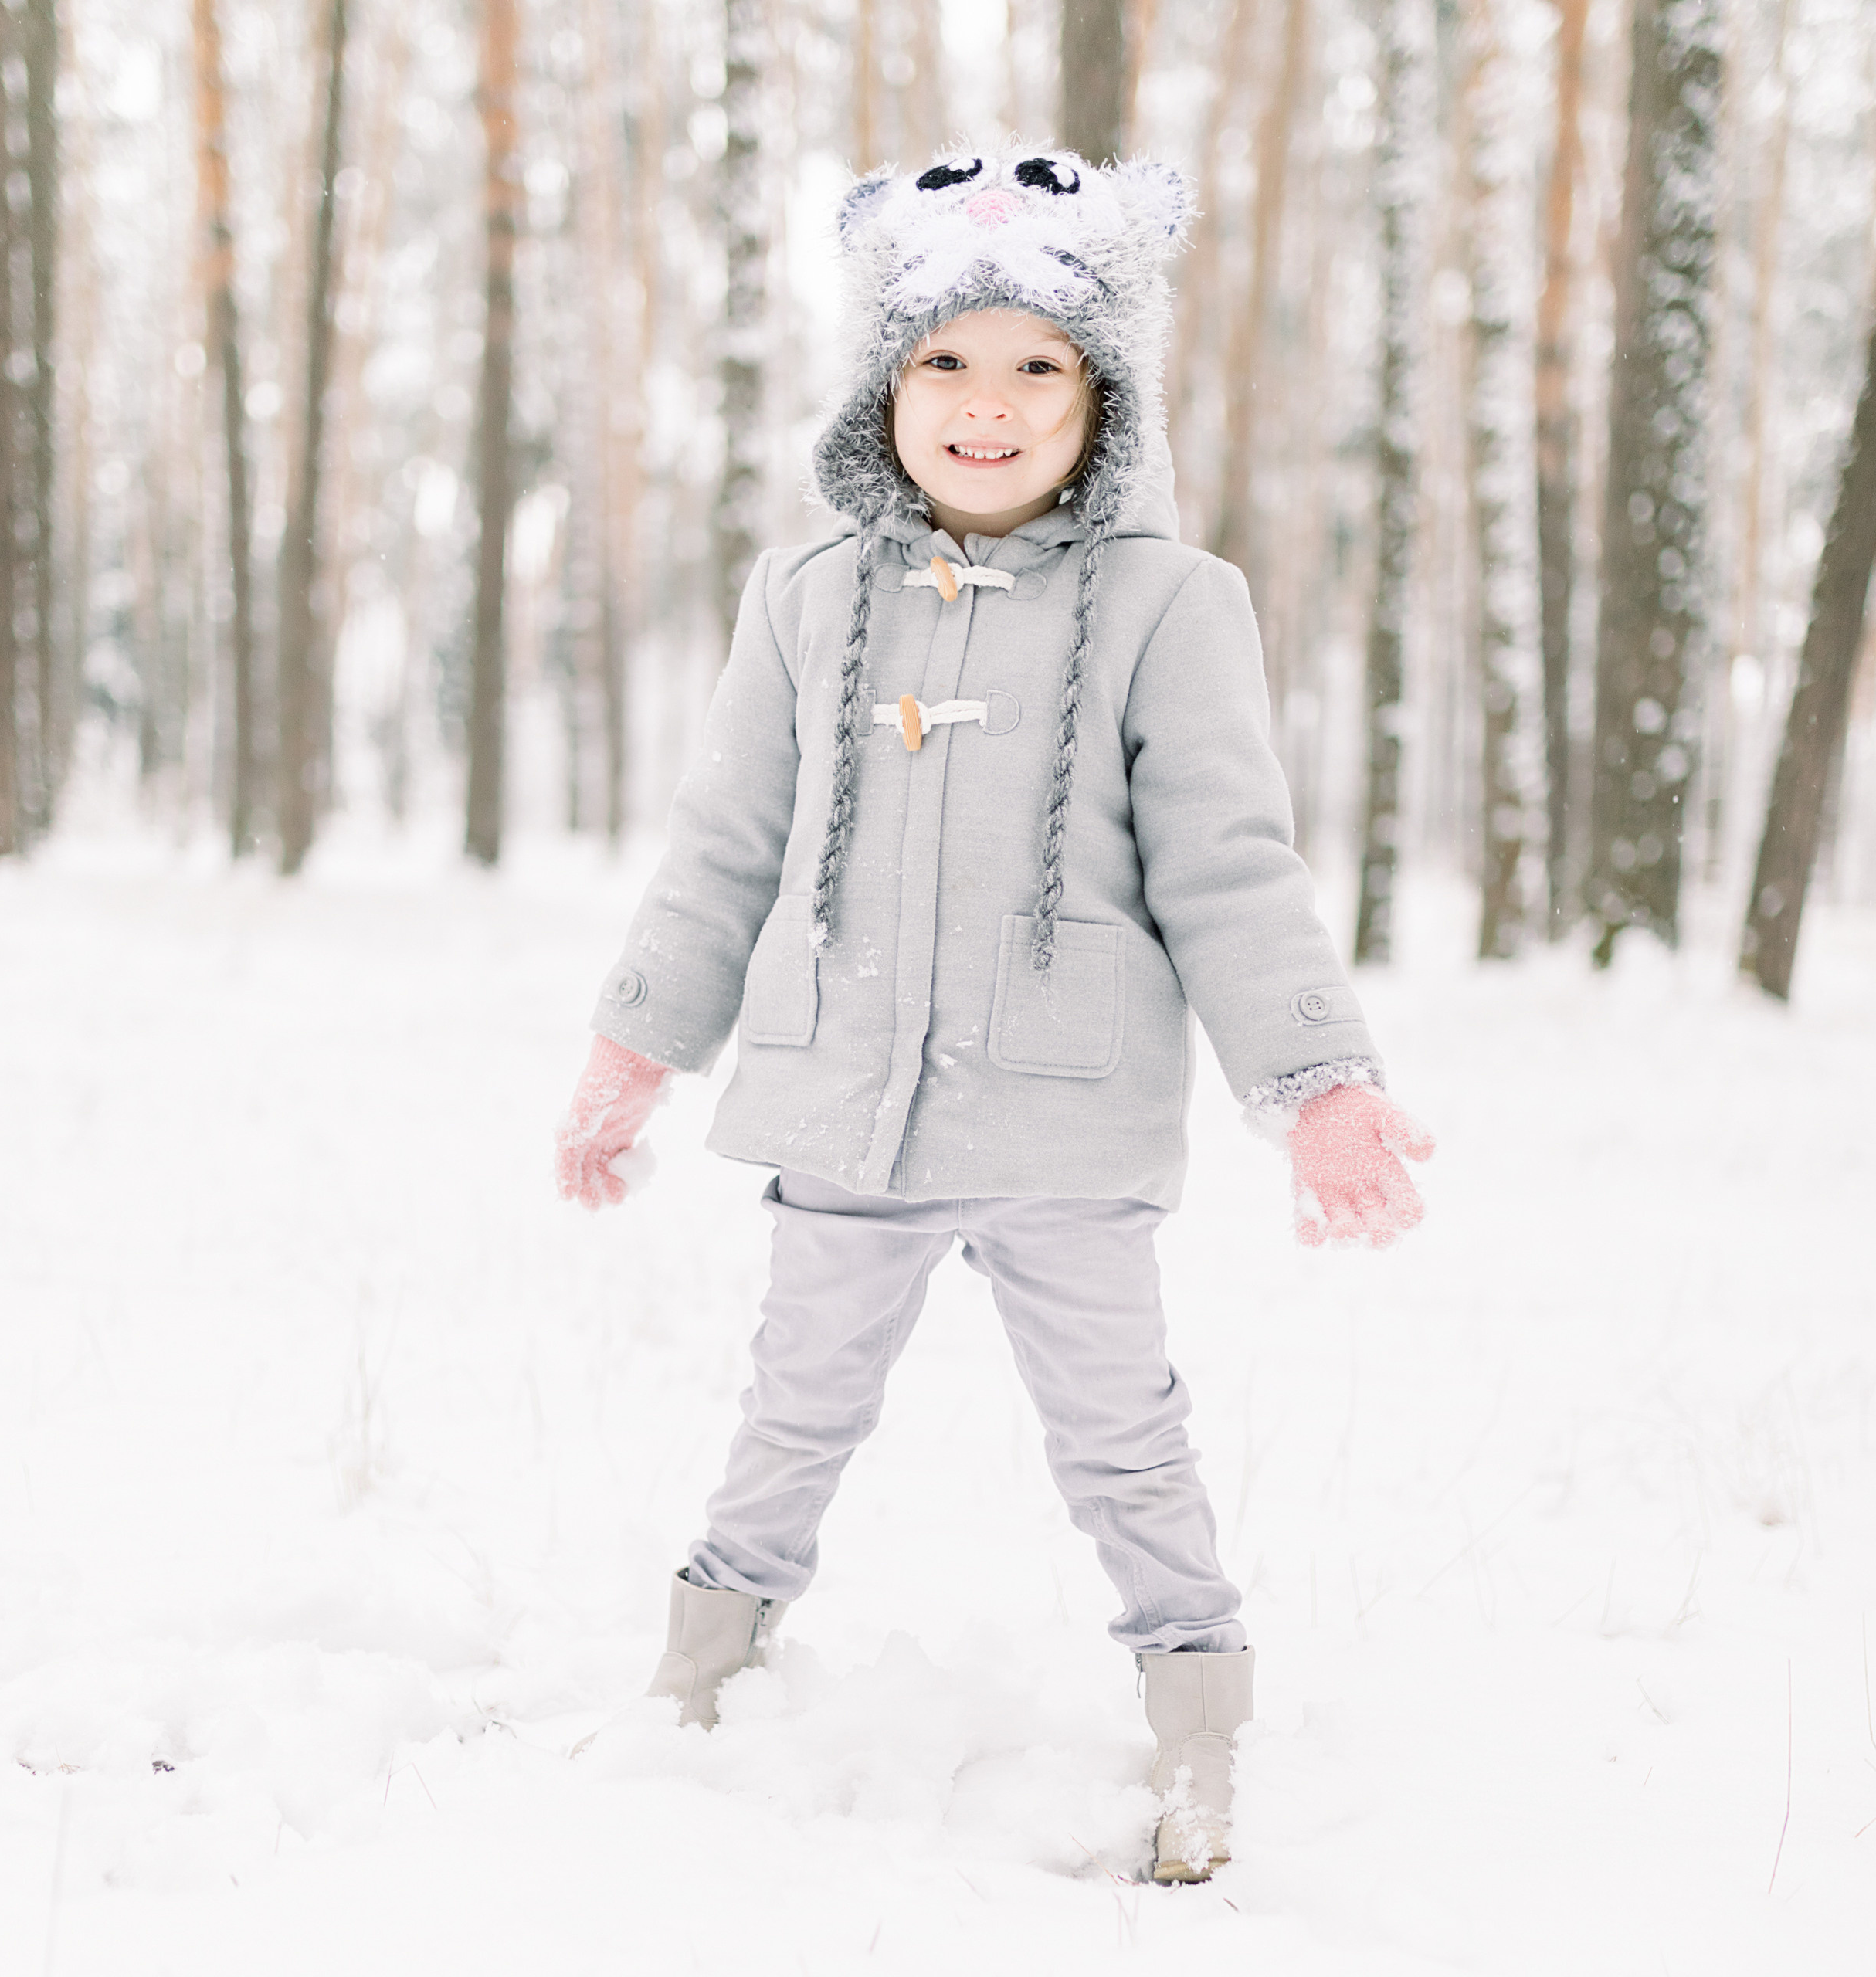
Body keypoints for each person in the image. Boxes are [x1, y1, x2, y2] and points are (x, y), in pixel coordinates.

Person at [556, 147, 1434, 1883]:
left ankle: (1199, 1726)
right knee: (788, 1410)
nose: (985, 404)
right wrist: (630, 1047)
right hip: (842, 1100)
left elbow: (1229, 867)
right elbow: (722, 848)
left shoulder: (1172, 606)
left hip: (1060, 1119)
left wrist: (1316, 1083)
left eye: (1037, 364)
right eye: (943, 361)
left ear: (1099, 400)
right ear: (883, 387)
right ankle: (696, 1674)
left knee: (1121, 1434)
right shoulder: (804, 601)